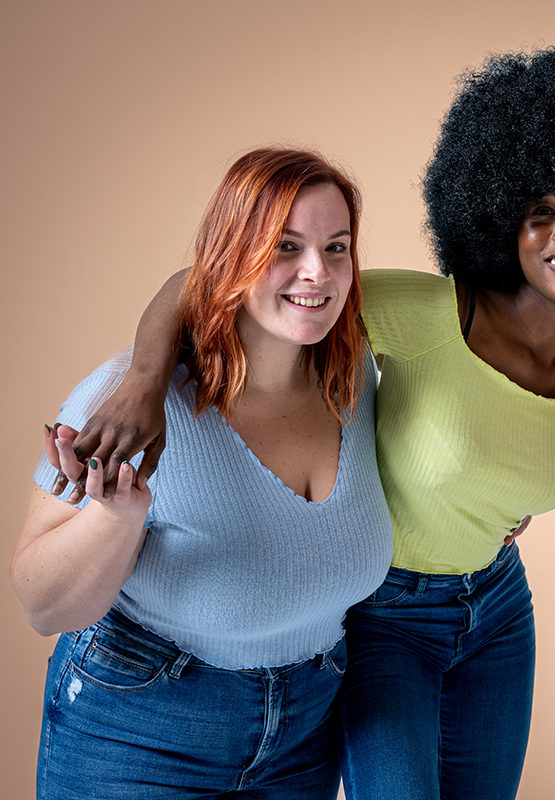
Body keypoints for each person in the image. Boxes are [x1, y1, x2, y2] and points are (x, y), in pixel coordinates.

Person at [53, 42, 555, 800]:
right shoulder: (426, 315)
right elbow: (210, 281)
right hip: (387, 615)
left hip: (497, 609)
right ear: (499, 218)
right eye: (540, 213)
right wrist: (142, 381)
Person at [11, 148, 394, 798]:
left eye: (337, 247)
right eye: (285, 246)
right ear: (233, 254)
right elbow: (42, 607)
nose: (317, 271)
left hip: (307, 730)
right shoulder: (125, 403)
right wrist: (116, 518)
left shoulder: (354, 374)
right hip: (139, 728)